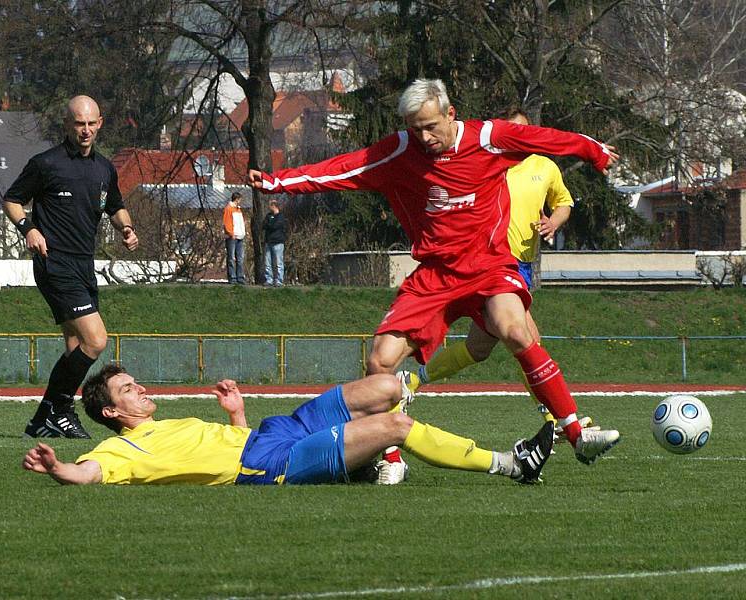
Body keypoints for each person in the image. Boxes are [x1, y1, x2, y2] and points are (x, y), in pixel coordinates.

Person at [248, 79, 621, 482]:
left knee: (516, 330)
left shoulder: (490, 138)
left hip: (489, 267)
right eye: (415, 128)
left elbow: (544, 139)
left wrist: (594, 150)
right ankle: (388, 457)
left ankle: (577, 433)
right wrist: (277, 182)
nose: (424, 137)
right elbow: (344, 168)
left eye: (430, 126)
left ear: (450, 114)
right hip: (435, 276)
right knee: (381, 360)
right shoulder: (401, 151)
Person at [21, 364, 555, 486]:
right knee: (396, 424)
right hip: (270, 463)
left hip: (271, 432)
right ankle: (511, 464)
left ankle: (368, 465)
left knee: (387, 385)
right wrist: (57, 467)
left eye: (135, 382)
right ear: (111, 413)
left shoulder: (166, 422)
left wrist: (236, 415)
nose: (140, 389)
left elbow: (222, 441)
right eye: (127, 390)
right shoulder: (123, 453)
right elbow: (88, 472)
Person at [408, 108, 594, 437]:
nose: (515, 136)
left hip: (522, 263)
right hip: (491, 262)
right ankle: (558, 419)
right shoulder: (491, 160)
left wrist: (554, 221)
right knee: (528, 338)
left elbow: (564, 202)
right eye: (511, 130)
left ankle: (412, 379)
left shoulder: (544, 166)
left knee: (478, 349)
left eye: (521, 131)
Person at [3, 95, 138, 439]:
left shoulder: (104, 168)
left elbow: (116, 207)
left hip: (83, 265)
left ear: (101, 124)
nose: (86, 130)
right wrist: (28, 229)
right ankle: (60, 408)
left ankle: (42, 419)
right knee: (96, 340)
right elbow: (12, 199)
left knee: (76, 345)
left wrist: (126, 227)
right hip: (55, 262)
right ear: (67, 125)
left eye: (92, 123)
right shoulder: (46, 163)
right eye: (79, 123)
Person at [223, 192, 247, 284]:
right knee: (231, 258)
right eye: (240, 199)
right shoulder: (229, 209)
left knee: (240, 258)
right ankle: (232, 277)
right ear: (236, 199)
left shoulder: (238, 209)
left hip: (240, 236)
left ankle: (240, 277)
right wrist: (231, 233)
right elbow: (226, 222)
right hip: (232, 237)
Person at [262, 198, 286, 286]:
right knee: (268, 262)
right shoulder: (268, 216)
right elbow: (264, 225)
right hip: (269, 242)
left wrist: (270, 224)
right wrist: (269, 224)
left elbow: (275, 226)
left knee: (278, 262)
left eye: (270, 205)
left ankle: (279, 280)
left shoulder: (280, 216)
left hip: (278, 242)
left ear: (274, 206)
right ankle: (269, 279)